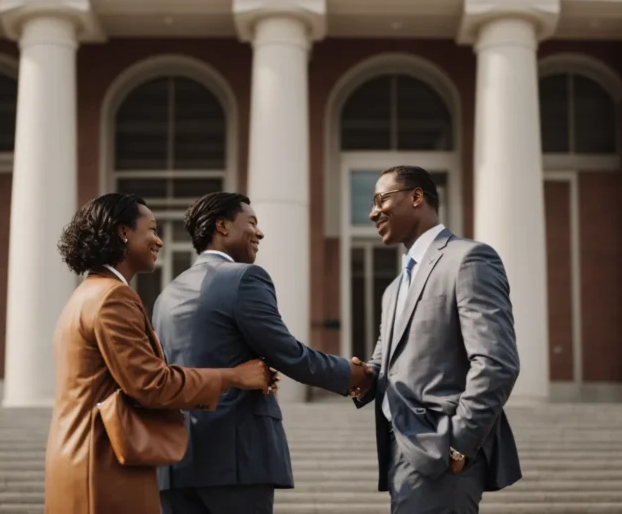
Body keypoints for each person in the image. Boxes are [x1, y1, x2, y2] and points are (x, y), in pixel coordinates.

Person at [45, 192, 275, 514]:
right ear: (124, 232)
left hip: (82, 460)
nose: (159, 241)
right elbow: (151, 384)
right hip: (103, 465)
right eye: (151, 230)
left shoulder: (84, 295)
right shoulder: (113, 298)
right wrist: (234, 376)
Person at [152, 191, 375, 514]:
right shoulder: (244, 278)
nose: (260, 233)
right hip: (236, 461)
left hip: (174, 464)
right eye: (252, 223)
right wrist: (353, 375)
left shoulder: (166, 294)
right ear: (222, 226)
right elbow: (288, 353)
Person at [352, 166, 522, 513]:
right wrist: (356, 375)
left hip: (442, 451)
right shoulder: (393, 289)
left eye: (380, 200)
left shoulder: (469, 259)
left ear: (416, 197)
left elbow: (495, 362)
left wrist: (459, 442)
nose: (371, 213)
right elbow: (383, 364)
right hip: (402, 451)